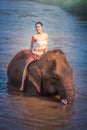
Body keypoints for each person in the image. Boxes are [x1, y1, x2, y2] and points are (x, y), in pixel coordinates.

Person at [19, 22, 48, 92]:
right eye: (36, 27)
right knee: (27, 65)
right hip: (34, 54)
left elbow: (46, 46)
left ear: (42, 27)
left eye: (38, 27)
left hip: (42, 54)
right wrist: (29, 55)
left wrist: (45, 55)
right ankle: (22, 84)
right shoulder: (34, 36)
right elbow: (31, 46)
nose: (37, 28)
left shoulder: (46, 35)